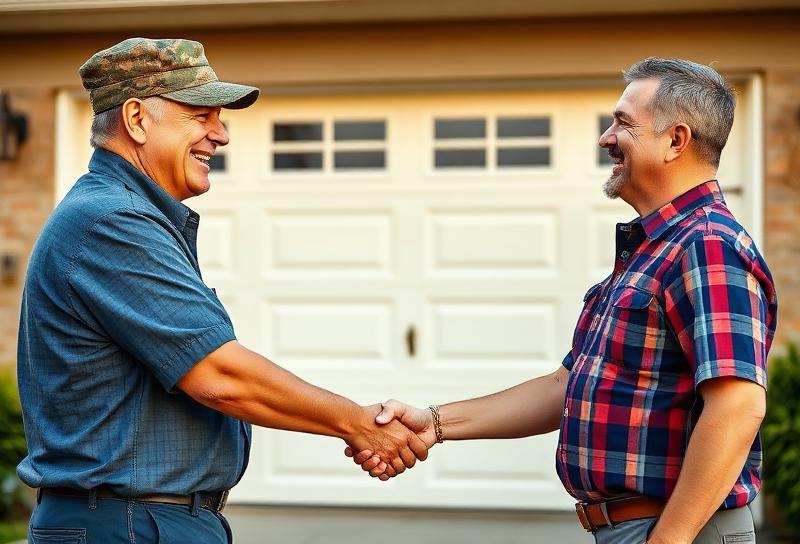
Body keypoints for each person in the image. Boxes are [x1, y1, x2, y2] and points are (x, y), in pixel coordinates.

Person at [348, 57, 777, 544]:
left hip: (679, 531)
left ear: (676, 140)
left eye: (623, 122)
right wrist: (436, 424)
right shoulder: (655, 250)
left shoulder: (707, 245)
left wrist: (668, 540)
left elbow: (738, 406)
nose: (605, 138)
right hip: (636, 528)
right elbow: (565, 386)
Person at [16, 37, 426, 544]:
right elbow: (219, 374)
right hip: (129, 526)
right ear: (138, 119)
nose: (221, 135)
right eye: (201, 114)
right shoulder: (112, 221)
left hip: (140, 522)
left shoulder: (127, 215)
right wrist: (358, 424)